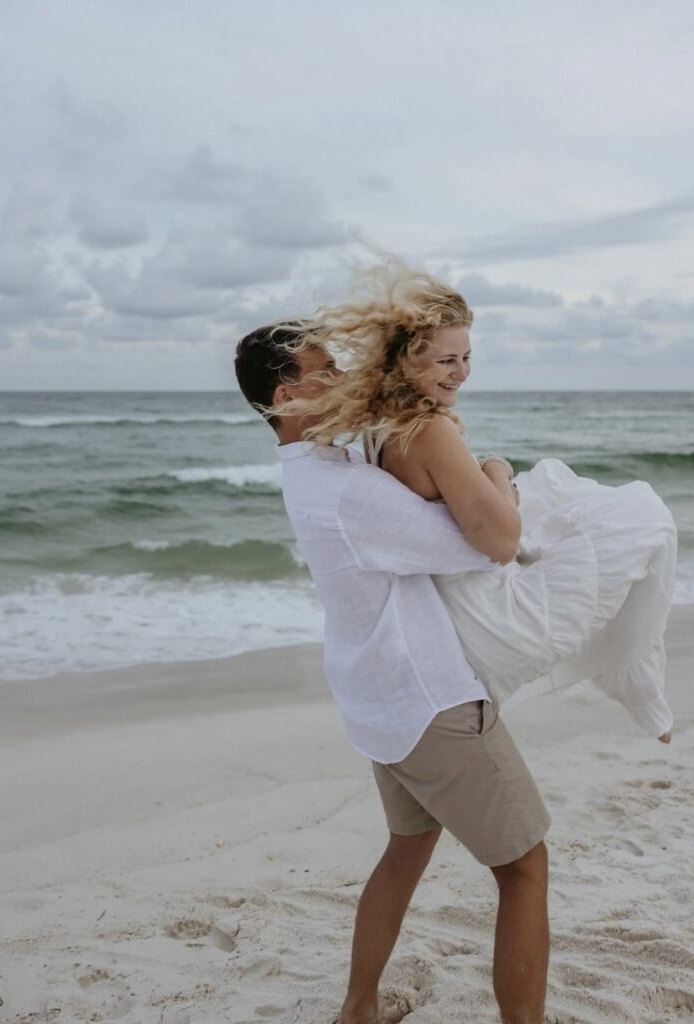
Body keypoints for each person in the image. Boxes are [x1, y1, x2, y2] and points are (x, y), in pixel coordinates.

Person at [235, 323, 552, 1024]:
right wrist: (495, 470)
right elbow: (485, 546)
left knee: (408, 848)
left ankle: (358, 1009)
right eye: (328, 370)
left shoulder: (319, 470)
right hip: (429, 700)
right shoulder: (347, 493)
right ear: (290, 397)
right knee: (526, 866)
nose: (345, 375)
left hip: (376, 701)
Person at [270, 259, 677, 744]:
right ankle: (636, 681)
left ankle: (633, 677)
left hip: (450, 609)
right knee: (645, 514)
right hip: (487, 618)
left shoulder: (377, 427)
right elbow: (503, 544)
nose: (461, 373)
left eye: (466, 358)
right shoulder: (429, 430)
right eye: (446, 360)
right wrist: (495, 468)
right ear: (406, 360)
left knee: (559, 491)